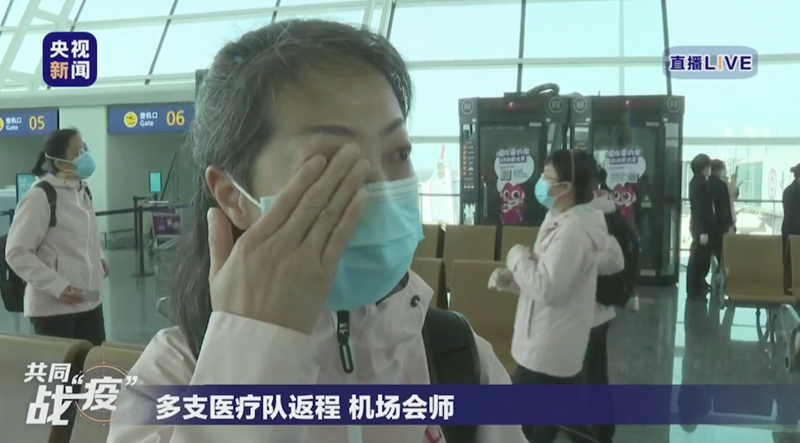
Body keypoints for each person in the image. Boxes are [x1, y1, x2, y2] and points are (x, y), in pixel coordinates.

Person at [107, 20, 527, 443]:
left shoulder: (457, 356)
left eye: (398, 153)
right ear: (234, 197)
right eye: (332, 160)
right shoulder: (169, 377)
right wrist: (252, 359)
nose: (378, 187)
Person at [491, 149, 624, 443]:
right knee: (553, 421)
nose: (540, 183)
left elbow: (547, 288)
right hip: (544, 342)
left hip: (547, 350)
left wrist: (516, 257)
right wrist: (513, 280)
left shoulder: (574, 231)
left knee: (525, 432)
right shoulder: (559, 218)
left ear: (565, 188)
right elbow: (549, 278)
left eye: (546, 177)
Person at [4, 128, 108, 345]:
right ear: (61, 163)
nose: (86, 156)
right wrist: (58, 286)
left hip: (88, 302)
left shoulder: (82, 190)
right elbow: (17, 252)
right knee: (62, 367)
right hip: (54, 310)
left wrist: (99, 258)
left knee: (94, 363)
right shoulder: (40, 196)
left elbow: (86, 235)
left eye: (85, 149)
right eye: (78, 152)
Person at [686, 154, 715, 301]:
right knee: (699, 258)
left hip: (698, 225)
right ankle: (695, 288)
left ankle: (697, 286)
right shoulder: (700, 184)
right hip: (701, 226)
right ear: (704, 167)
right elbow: (700, 208)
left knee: (699, 256)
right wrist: (703, 230)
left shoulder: (696, 182)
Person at [708, 159, 734, 261]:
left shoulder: (706, 182)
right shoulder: (721, 185)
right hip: (720, 225)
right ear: (719, 170)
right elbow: (725, 206)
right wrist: (729, 224)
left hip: (708, 224)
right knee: (722, 253)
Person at [781, 164, 800, 294]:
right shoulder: (793, 192)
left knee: (788, 265)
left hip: (789, 231)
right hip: (795, 232)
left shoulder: (788, 190)